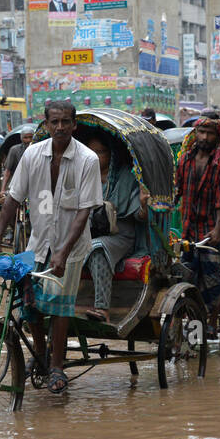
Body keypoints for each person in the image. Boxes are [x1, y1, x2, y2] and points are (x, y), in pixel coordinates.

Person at [0, 99, 102, 394]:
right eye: (55, 122)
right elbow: (13, 200)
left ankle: (56, 366)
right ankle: (39, 355)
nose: (61, 127)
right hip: (38, 243)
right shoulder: (32, 155)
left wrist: (63, 252)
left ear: (74, 125)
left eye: (66, 122)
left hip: (72, 246)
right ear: (47, 124)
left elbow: (84, 212)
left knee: (59, 304)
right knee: (29, 304)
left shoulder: (87, 160)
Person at [81, 133, 149, 320]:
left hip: (120, 235)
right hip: (86, 232)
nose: (94, 157)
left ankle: (102, 309)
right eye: (90, 152)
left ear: (111, 154)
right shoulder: (81, 176)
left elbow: (139, 215)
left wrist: (143, 203)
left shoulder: (126, 177)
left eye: (100, 152)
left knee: (97, 249)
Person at [173, 117, 220, 317]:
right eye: (202, 132)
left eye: (210, 134)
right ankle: (192, 322)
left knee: (211, 279)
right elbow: (176, 191)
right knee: (186, 277)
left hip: (210, 229)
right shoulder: (185, 159)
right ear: (195, 133)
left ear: (217, 137)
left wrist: (218, 229)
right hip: (188, 228)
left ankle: (212, 321)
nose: (205, 137)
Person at [0, 125, 35, 201]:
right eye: (26, 137)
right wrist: (3, 189)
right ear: (21, 138)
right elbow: (7, 171)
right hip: (17, 183)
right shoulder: (14, 150)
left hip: (34, 183)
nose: (28, 140)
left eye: (30, 137)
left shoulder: (39, 149)